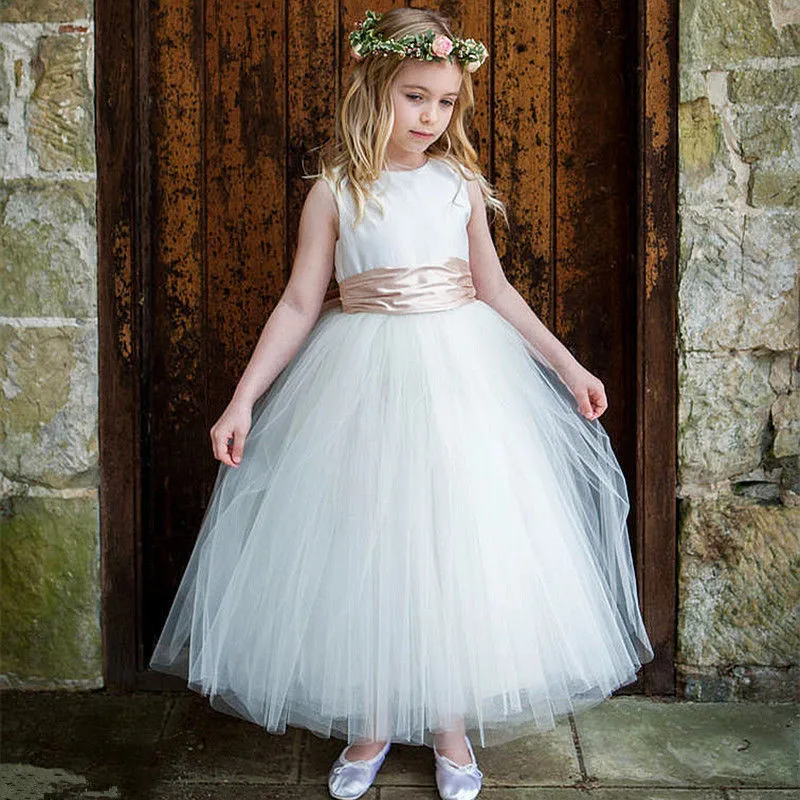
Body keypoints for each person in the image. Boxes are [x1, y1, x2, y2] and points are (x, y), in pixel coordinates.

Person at [148, 7, 655, 800]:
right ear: (373, 88)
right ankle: (373, 717)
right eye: (415, 97)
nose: (431, 117)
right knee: (371, 541)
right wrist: (241, 401)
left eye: (447, 102)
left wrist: (566, 364)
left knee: (455, 538)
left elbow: (494, 289)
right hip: (361, 386)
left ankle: (450, 723)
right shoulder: (335, 192)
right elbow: (296, 304)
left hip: (463, 382)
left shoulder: (459, 185)